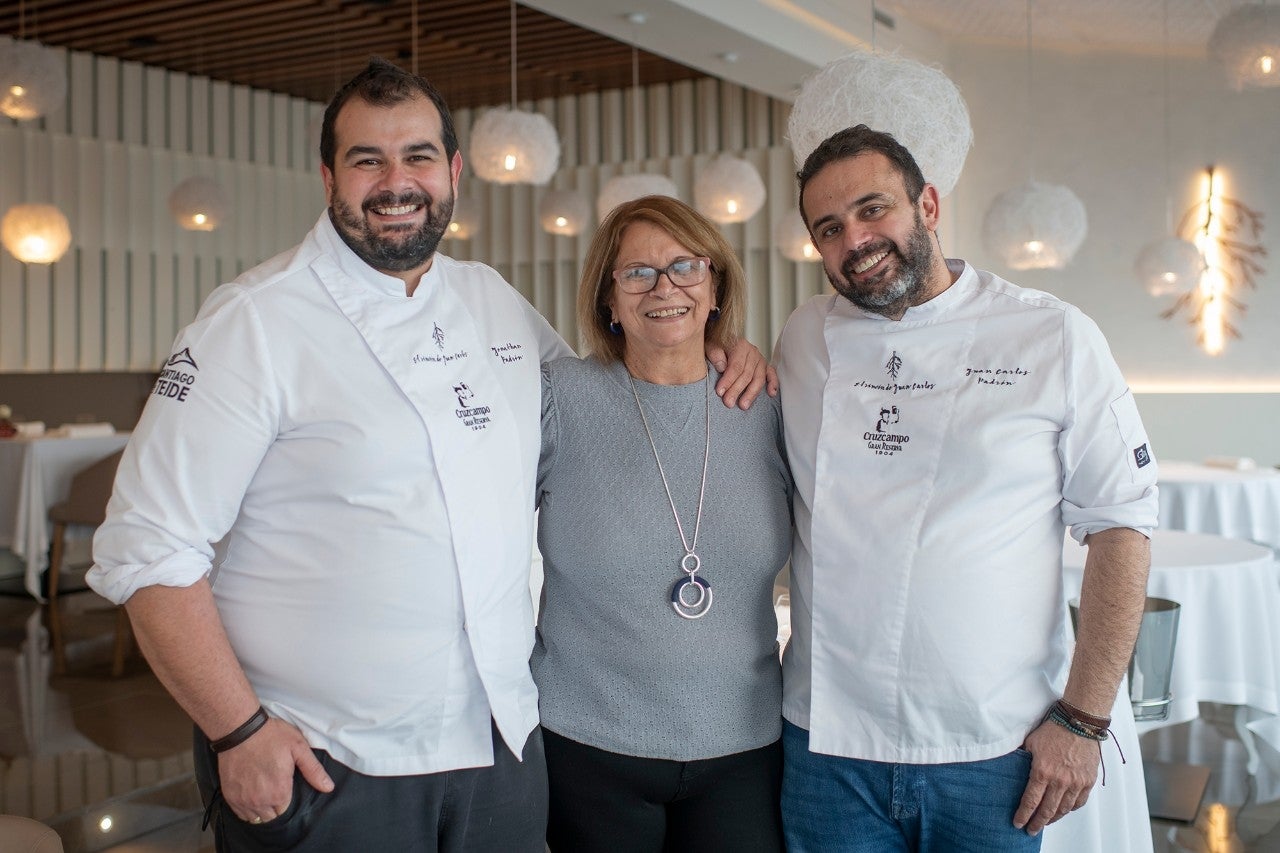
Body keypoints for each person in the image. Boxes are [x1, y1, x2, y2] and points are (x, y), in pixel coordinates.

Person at [87, 59, 766, 852]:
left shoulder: (491, 302)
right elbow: (146, 549)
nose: (394, 180)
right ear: (327, 176)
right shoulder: (252, 323)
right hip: (329, 759)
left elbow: (613, 394)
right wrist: (237, 731)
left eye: (415, 156)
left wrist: (717, 345)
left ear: (452, 171)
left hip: (500, 749)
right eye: (366, 159)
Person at [773, 125, 1158, 852]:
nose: (854, 238)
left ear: (928, 203)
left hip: (995, 748)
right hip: (828, 747)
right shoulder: (802, 338)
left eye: (872, 208)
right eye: (829, 227)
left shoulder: (1052, 336)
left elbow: (1122, 525)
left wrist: (1083, 718)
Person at [533, 195, 792, 851]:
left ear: (715, 286)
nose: (664, 286)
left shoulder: (770, 401)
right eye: (637, 273)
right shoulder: (557, 395)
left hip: (744, 747)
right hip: (588, 743)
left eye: (685, 266)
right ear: (608, 301)